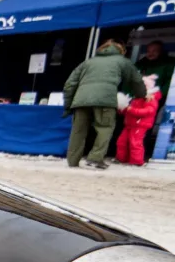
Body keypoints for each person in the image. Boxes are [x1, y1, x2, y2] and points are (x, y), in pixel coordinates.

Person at [62, 39, 146, 170]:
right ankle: (95, 158)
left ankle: (72, 161)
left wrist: (68, 105)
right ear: (121, 51)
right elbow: (136, 80)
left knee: (78, 131)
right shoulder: (122, 61)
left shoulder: (87, 62)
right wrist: (142, 95)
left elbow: (69, 85)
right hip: (106, 100)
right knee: (104, 128)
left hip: (81, 100)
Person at [116, 74, 161, 167]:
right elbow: (129, 110)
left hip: (140, 124)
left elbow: (149, 111)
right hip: (130, 124)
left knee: (135, 143)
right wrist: (122, 108)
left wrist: (130, 109)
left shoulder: (151, 98)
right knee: (121, 141)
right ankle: (121, 159)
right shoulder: (137, 97)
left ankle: (137, 162)